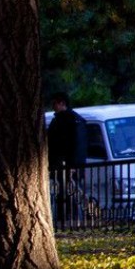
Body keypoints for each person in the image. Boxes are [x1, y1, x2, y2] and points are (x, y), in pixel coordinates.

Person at [47, 93, 87, 225]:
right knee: (64, 193)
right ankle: (65, 218)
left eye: (55, 103)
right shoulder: (65, 119)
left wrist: (73, 165)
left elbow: (75, 145)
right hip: (63, 164)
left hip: (67, 165)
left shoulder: (70, 120)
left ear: (62, 103)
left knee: (70, 194)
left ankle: (70, 220)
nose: (53, 106)